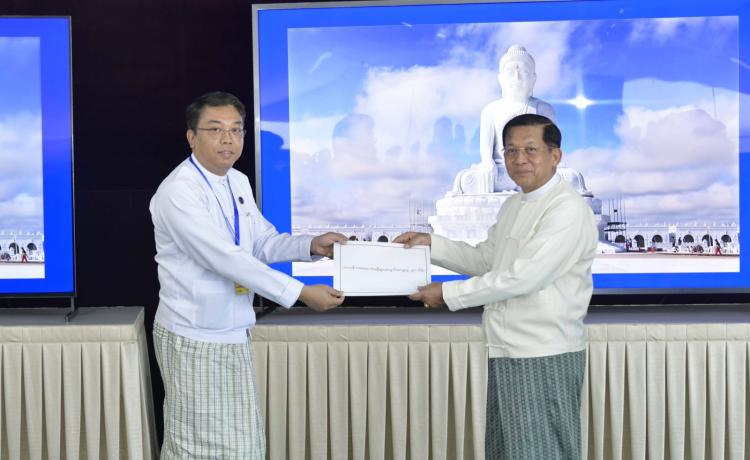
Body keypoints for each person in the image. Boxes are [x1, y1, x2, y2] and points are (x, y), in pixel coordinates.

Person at [150, 91, 346, 459]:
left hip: (233, 331)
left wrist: (311, 245)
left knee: (240, 445)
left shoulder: (237, 181)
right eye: (215, 129)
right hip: (194, 334)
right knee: (197, 447)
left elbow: (261, 241)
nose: (228, 139)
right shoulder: (178, 191)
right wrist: (300, 293)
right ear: (191, 137)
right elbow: (224, 258)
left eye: (236, 129)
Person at [395, 114, 598, 459]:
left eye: (531, 149)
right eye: (511, 151)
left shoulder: (567, 208)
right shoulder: (514, 204)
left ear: (555, 155)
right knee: (509, 452)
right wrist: (432, 244)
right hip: (507, 349)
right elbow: (487, 259)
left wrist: (447, 294)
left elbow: (524, 277)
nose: (520, 159)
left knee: (542, 453)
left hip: (542, 352)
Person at [450, 45, 556, 195]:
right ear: (501, 79)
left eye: (524, 72)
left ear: (533, 79)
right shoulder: (491, 110)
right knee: (468, 180)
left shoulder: (543, 109)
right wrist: (488, 163)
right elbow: (486, 149)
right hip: (503, 170)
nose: (516, 78)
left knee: (568, 177)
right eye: (511, 72)